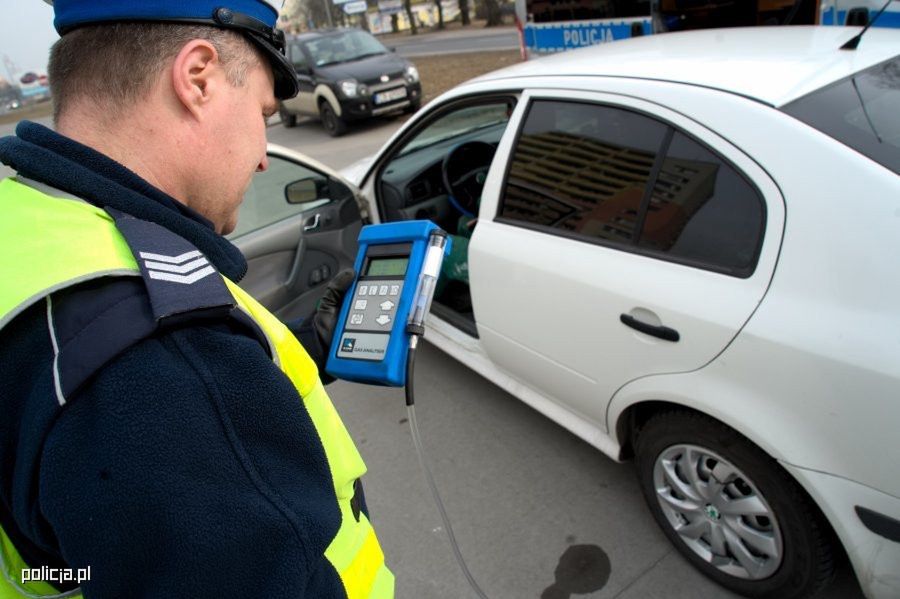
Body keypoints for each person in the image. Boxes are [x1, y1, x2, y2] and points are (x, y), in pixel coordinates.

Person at [0, 1, 394, 597]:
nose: (264, 154)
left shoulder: (34, 222)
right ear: (199, 79)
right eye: (264, 112)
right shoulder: (167, 360)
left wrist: (298, 348)